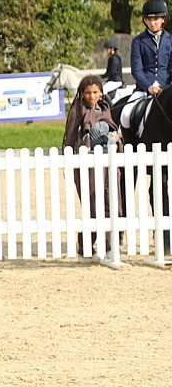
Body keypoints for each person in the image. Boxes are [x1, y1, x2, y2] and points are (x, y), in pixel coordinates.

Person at [62, 75, 121, 259]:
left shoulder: (105, 109)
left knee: (112, 203)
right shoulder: (77, 111)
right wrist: (68, 159)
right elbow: (70, 135)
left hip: (108, 161)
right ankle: (86, 248)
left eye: (95, 92)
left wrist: (116, 138)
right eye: (88, 93)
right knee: (93, 206)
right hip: (87, 164)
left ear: (101, 93)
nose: (92, 96)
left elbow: (113, 130)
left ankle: (111, 247)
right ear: (82, 93)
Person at [122, 0, 172, 132]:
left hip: (166, 88)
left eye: (156, 19)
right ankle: (130, 144)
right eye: (149, 19)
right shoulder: (138, 41)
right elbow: (137, 70)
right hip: (144, 89)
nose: (152, 22)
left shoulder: (170, 40)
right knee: (126, 114)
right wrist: (148, 87)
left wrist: (166, 87)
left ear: (163, 19)